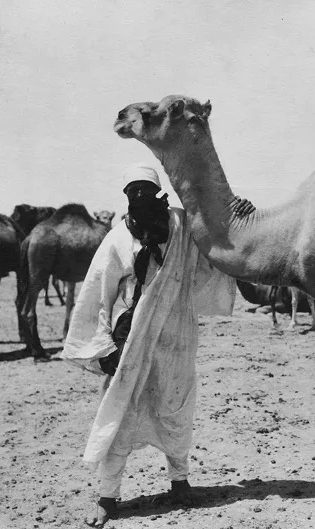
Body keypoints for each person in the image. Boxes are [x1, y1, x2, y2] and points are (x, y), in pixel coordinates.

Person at [61, 163, 254, 527]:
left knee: (176, 406)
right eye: (133, 191)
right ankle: (108, 496)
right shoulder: (117, 239)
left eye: (146, 191)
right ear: (126, 197)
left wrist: (238, 216)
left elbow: (217, 242)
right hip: (132, 339)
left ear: (159, 193)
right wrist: (103, 349)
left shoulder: (181, 226)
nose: (140, 197)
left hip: (178, 335)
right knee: (119, 412)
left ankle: (180, 482)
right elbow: (96, 295)